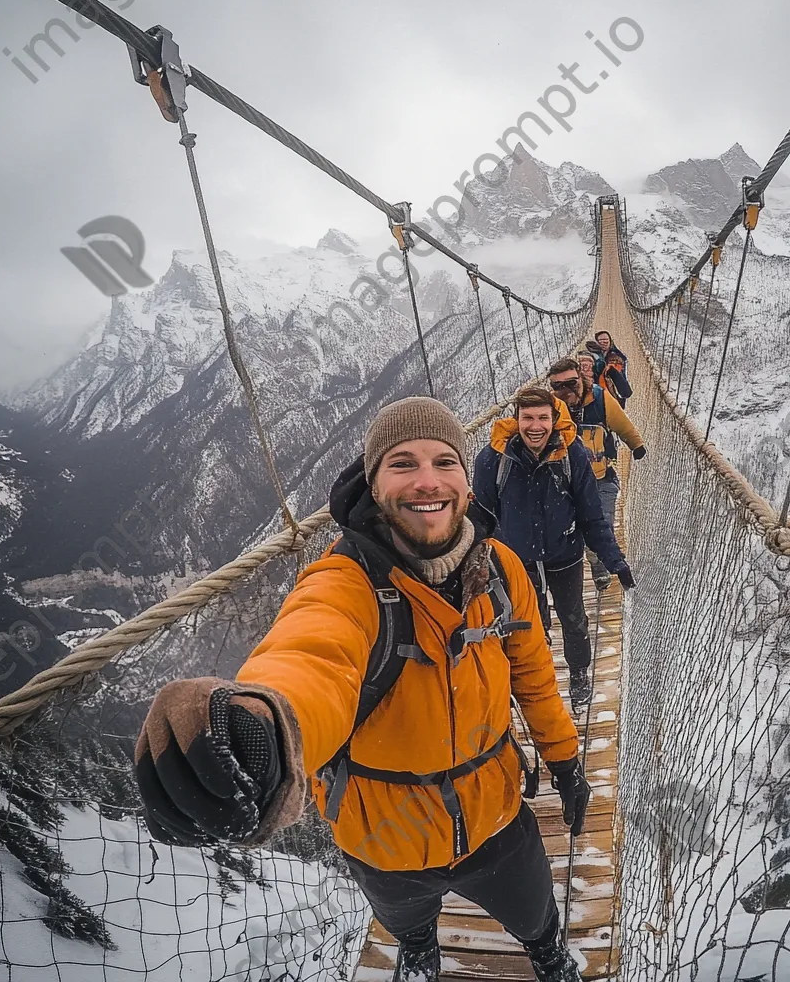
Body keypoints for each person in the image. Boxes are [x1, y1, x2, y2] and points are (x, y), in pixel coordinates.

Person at [134, 396, 592, 982]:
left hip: (494, 815)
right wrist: (267, 727)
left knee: (535, 914)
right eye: (402, 463)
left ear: (468, 481)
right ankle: (420, 949)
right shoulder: (344, 582)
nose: (427, 481)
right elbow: (310, 654)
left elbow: (533, 677)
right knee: (407, 918)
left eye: (444, 461)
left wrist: (565, 759)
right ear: (373, 484)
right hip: (383, 837)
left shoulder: (502, 572)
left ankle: (547, 953)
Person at [472, 386, 634, 711]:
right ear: (516, 419)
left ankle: (578, 676)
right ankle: (541, 684)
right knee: (531, 627)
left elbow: (591, 514)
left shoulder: (572, 453)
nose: (535, 426)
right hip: (517, 563)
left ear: (554, 418)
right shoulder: (493, 459)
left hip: (565, 556)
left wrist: (615, 561)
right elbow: (479, 520)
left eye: (543, 418)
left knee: (574, 620)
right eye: (528, 417)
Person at [546, 358, 646, 592]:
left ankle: (599, 566)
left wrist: (636, 444)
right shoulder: (549, 408)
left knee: (600, 524)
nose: (565, 390)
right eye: (558, 386)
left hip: (601, 477)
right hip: (565, 481)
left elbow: (621, 422)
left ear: (581, 378)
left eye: (571, 383)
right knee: (564, 532)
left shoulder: (599, 398)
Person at [590, 330, 632, 409]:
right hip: (595, 398)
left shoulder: (616, 357)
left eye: (606, 340)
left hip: (612, 399)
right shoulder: (592, 356)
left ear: (610, 341)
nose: (604, 342)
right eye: (601, 340)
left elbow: (621, 384)